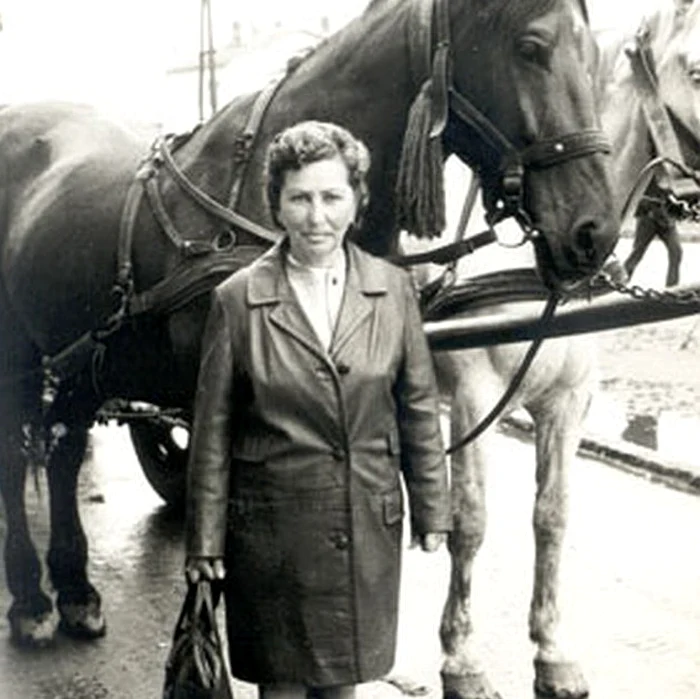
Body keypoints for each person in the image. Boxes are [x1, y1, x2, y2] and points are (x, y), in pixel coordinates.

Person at [184, 120, 451, 699]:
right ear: (276, 206)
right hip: (273, 538)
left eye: (332, 197)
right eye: (299, 198)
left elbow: (419, 408)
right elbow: (212, 433)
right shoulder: (237, 299)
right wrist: (204, 541)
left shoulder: (392, 289)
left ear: (357, 202)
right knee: (281, 685)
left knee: (343, 681)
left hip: (363, 522)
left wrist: (434, 509)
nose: (316, 217)